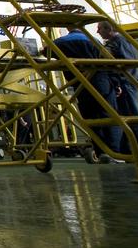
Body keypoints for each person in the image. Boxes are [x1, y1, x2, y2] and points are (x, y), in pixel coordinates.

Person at [52, 23, 121, 158]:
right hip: (101, 81)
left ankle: (101, 152)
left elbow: (46, 50)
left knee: (90, 118)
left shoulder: (61, 42)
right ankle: (115, 152)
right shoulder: (95, 41)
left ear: (68, 28)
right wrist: (116, 83)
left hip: (80, 83)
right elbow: (106, 60)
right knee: (110, 116)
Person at [97, 21, 138, 164]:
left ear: (109, 28)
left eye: (100, 29)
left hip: (125, 84)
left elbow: (127, 62)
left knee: (133, 120)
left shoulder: (119, 41)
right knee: (124, 121)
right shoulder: (113, 42)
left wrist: (119, 81)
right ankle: (129, 154)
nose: (97, 32)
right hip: (120, 84)